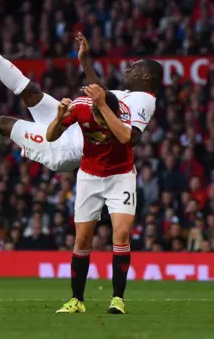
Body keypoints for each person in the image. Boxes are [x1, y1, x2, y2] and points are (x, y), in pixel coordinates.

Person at [0, 9, 162, 169]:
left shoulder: (145, 99)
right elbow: (103, 93)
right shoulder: (128, 96)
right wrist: (85, 62)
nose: (129, 69)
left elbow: (131, 138)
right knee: (31, 92)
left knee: (2, 123)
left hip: (67, 147)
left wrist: (99, 112)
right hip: (73, 127)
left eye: (135, 68)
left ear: (146, 77)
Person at [46, 85, 135, 315]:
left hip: (121, 175)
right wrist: (58, 119)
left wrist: (105, 108)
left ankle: (118, 299)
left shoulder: (121, 110)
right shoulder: (80, 108)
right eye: (100, 121)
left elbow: (126, 136)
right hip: (89, 177)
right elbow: (50, 136)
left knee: (122, 234)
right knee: (82, 239)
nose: (103, 127)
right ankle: (77, 300)